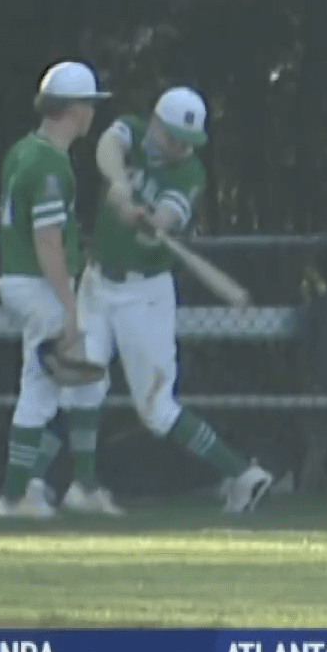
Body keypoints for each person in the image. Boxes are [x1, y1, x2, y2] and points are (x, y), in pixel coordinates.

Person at [69, 87, 272, 515]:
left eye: (187, 141)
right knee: (82, 380)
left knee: (157, 409)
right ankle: (84, 487)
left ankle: (241, 474)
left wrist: (144, 218)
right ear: (156, 123)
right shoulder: (134, 130)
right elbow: (108, 145)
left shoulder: (190, 173)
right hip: (97, 281)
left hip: (145, 294)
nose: (179, 147)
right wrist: (121, 183)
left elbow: (163, 221)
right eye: (173, 136)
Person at [0, 62, 111, 519]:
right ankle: (15, 496)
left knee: (46, 388)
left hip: (21, 281)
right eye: (90, 104)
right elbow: (48, 243)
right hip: (39, 285)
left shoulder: (24, 150)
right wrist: (69, 310)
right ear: (75, 109)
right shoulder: (50, 166)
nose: (93, 113)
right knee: (40, 392)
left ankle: (24, 491)